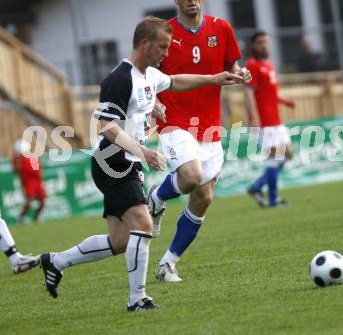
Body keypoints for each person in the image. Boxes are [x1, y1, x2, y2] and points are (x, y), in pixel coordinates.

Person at [38, 16, 247, 311]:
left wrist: (214, 78)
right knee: (143, 224)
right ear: (145, 43)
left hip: (129, 162)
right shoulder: (119, 78)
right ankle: (138, 299)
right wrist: (143, 150)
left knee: (121, 239)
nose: (166, 53)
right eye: (163, 47)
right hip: (112, 161)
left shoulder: (149, 74)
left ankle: (56, 261)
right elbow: (106, 127)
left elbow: (175, 82)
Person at [146, 0, 251, 282]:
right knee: (190, 177)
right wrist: (151, 101)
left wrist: (240, 73)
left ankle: (167, 263)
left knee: (203, 197)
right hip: (174, 121)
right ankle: (157, 196)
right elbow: (145, 73)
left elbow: (231, 68)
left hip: (209, 126)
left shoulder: (222, 28)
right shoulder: (164, 33)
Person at [244, 30, 295, 207]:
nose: (264, 45)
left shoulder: (269, 65)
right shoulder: (252, 64)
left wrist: (284, 101)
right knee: (275, 157)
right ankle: (273, 199)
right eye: (260, 42)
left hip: (276, 120)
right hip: (264, 122)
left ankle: (257, 186)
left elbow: (269, 94)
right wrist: (255, 118)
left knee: (288, 154)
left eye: (266, 41)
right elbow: (249, 93)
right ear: (253, 46)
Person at [12, 139, 47, 223]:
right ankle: (21, 218)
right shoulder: (18, 159)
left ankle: (36, 218)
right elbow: (16, 170)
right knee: (29, 200)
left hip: (37, 181)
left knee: (42, 202)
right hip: (28, 182)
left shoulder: (33, 156)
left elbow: (40, 167)